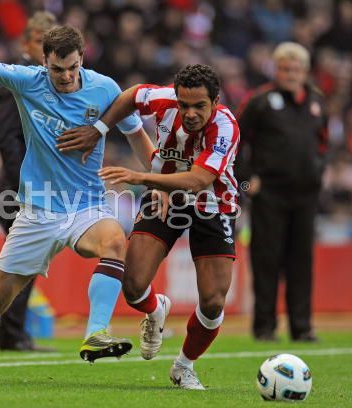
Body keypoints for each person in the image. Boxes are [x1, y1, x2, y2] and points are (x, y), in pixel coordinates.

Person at [0, 25, 150, 378]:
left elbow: (136, 133)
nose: (66, 76)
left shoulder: (105, 88)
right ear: (44, 61)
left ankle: (96, 333)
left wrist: (162, 175)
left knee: (113, 240)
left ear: (82, 59)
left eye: (72, 67)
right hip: (37, 211)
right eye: (57, 69)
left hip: (86, 206)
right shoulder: (28, 81)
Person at [60, 64, 240, 390]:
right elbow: (129, 96)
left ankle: (184, 366)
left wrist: (142, 177)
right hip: (164, 196)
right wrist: (99, 129)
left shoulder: (225, 127)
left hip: (213, 203)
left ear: (215, 101)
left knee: (213, 301)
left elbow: (199, 180)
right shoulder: (162, 99)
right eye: (184, 105)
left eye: (199, 106)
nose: (190, 113)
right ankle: (156, 310)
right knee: (133, 285)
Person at [236, 42, 327, 343]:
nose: (290, 74)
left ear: (305, 71)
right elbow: (233, 142)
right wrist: (247, 183)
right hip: (268, 194)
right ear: (276, 70)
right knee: (267, 261)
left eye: (296, 69)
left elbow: (324, 144)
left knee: (302, 261)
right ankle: (264, 327)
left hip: (306, 195)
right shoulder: (259, 101)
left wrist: (319, 173)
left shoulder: (317, 102)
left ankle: (302, 327)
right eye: (285, 68)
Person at [0, 11, 57, 353]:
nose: (46, 50)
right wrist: (25, 186)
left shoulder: (46, 82)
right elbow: (7, 138)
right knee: (24, 263)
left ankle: (13, 333)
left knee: (27, 263)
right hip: (19, 189)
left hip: (35, 187)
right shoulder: (17, 80)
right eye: (40, 41)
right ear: (25, 42)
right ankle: (12, 334)